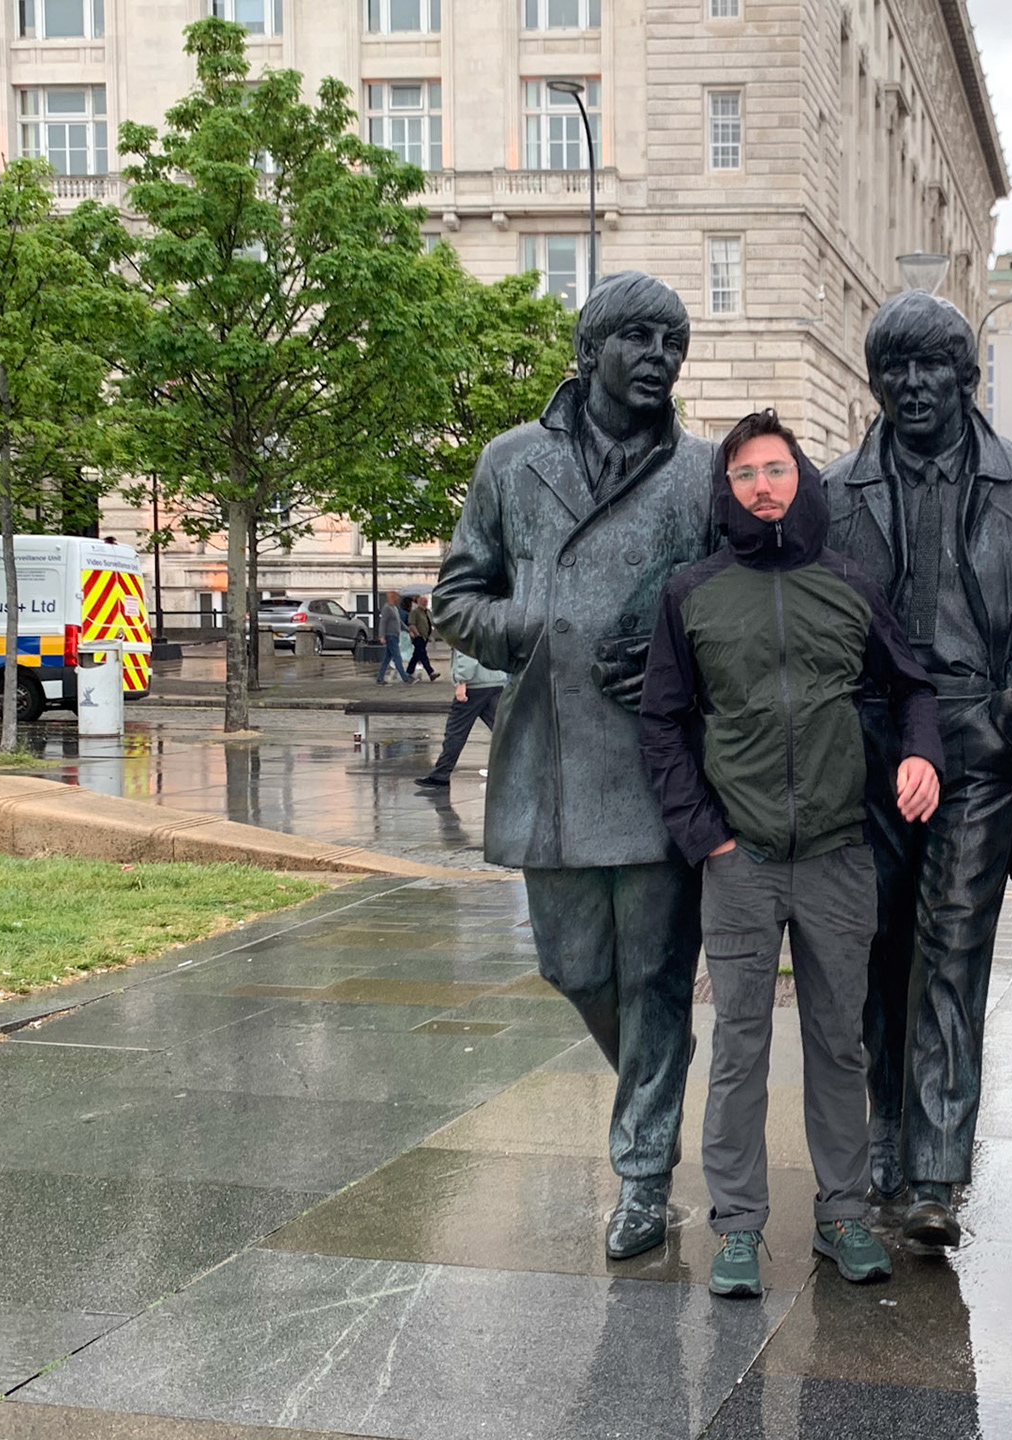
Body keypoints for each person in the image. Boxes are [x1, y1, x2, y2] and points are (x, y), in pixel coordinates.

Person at [432, 271, 717, 1262]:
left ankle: (643, 1174)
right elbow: (457, 595)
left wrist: (684, 660)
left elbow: (731, 597)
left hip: (656, 765)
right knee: (575, 967)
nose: (658, 358)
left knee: (656, 975)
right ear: (590, 350)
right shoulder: (512, 462)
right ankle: (655, 1074)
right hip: (549, 756)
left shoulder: (702, 471)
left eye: (673, 343)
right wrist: (533, 627)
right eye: (638, 338)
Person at [641, 409, 944, 1299]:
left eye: (775, 469)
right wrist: (706, 833)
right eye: (744, 474)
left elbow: (913, 686)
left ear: (800, 480)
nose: (762, 486)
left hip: (839, 855)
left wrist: (921, 753)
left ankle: (842, 1214)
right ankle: (737, 1227)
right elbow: (661, 723)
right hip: (740, 860)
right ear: (726, 490)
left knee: (839, 1044)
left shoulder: (849, 585)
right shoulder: (691, 592)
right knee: (738, 1047)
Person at [822, 291, 1012, 1246]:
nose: (914, 383)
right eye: (895, 367)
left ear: (967, 376)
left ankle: (935, 1165)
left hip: (978, 744)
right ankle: (885, 1134)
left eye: (932, 365)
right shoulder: (835, 490)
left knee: (951, 947)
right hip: (870, 744)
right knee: (876, 947)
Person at [414, 647, 508, 789]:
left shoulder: (466, 631)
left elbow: (467, 652)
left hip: (474, 685)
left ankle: (440, 775)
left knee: (455, 731)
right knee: (504, 730)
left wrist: (462, 681)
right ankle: (528, 767)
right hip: (495, 681)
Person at [375, 589, 408, 685]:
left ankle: (380, 678)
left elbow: (399, 622)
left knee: (387, 658)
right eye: (396, 596)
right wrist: (382, 636)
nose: (397, 598)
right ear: (391, 597)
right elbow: (383, 622)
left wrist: (408, 629)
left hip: (395, 635)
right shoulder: (387, 608)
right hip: (390, 636)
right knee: (397, 657)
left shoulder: (394, 608)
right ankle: (405, 677)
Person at [406, 594, 438, 682]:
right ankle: (431, 673)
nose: (425, 603)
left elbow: (432, 622)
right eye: (423, 601)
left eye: (426, 602)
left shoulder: (428, 612)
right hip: (418, 637)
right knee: (423, 655)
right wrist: (417, 634)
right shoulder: (415, 612)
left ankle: (408, 672)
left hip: (425, 637)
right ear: (419, 602)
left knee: (417, 655)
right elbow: (411, 624)